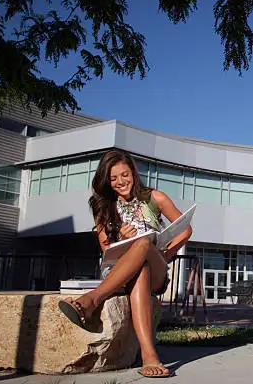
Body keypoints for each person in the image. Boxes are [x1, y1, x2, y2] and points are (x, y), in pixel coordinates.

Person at [58, 150, 192, 378]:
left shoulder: (155, 198)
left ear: (134, 173)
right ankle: (149, 355)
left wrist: (167, 253)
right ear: (107, 181)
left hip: (157, 270)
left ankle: (92, 299)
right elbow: (105, 248)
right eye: (113, 178)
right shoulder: (102, 205)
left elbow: (186, 229)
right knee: (140, 266)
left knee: (142, 245)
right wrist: (119, 239)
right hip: (118, 271)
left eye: (125, 175)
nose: (121, 182)